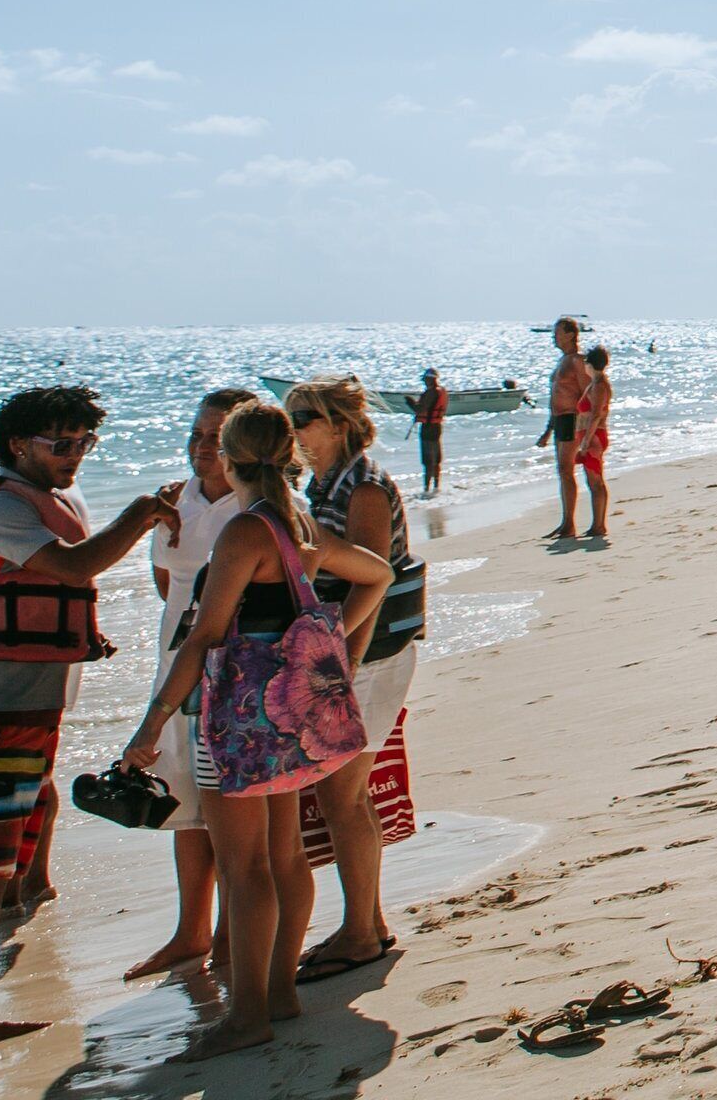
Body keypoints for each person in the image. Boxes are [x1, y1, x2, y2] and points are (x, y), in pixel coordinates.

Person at [0, 386, 169, 1093]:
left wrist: (83, 633)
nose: (75, 455)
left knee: (1, 873)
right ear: (18, 446)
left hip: (29, 704)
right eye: (61, 444)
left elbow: (57, 587)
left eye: (84, 443)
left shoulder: (54, 501)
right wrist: (142, 514)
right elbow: (76, 568)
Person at [114, 404, 389, 1062]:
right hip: (294, 716)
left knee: (245, 867)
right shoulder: (301, 522)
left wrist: (151, 723)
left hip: (237, 718)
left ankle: (246, 1014)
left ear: (232, 459)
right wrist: (334, 647)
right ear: (286, 454)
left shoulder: (243, 532)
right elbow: (378, 573)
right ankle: (278, 993)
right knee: (285, 857)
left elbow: (205, 635)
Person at [287, 377, 425, 983]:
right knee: (349, 796)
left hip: (367, 656)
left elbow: (371, 579)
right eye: (289, 419)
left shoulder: (363, 487)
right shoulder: (321, 484)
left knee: (342, 797)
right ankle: (366, 922)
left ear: (338, 424)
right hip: (356, 656)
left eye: (305, 418)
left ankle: (360, 931)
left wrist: (335, 663)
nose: (296, 431)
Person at [124, 387, 260, 983]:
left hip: (231, 671)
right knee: (182, 800)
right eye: (197, 434)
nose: (202, 447)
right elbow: (167, 585)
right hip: (173, 662)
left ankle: (236, 934)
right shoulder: (173, 501)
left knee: (230, 806)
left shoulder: (256, 507)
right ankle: (190, 932)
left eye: (216, 437)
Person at [543, 319, 592, 540]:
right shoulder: (562, 361)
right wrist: (548, 430)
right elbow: (555, 398)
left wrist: (586, 428)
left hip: (573, 419)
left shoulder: (577, 361)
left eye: (558, 333)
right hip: (560, 420)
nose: (554, 337)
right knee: (562, 471)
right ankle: (566, 521)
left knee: (567, 469)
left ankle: (570, 524)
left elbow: (586, 394)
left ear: (571, 334)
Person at [576, 347, 615, 538]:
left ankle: (599, 524)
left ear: (590, 364)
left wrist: (586, 439)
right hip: (591, 436)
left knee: (596, 480)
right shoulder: (595, 383)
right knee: (592, 480)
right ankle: (596, 523)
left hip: (594, 437)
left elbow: (596, 414)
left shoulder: (599, 385)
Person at [411, 370, 447, 497]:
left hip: (428, 428)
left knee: (428, 460)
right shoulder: (440, 391)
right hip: (437, 427)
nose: (424, 383)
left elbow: (420, 409)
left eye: (425, 380)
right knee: (436, 459)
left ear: (430, 379)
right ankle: (436, 487)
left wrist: (410, 403)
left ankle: (426, 489)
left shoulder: (431, 392)